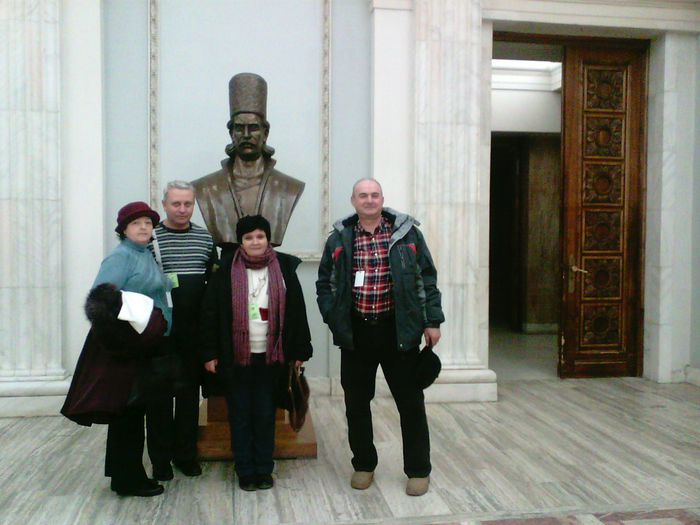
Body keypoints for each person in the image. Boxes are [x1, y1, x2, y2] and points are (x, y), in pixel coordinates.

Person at [316, 178, 444, 497]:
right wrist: (334, 318)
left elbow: (426, 278)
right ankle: (363, 464)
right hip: (356, 334)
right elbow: (324, 284)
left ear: (382, 199)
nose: (369, 200)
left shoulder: (407, 234)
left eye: (374, 195)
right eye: (363, 195)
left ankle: (418, 470)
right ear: (353, 200)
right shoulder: (340, 239)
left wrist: (432, 320)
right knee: (356, 404)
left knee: (411, 403)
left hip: (399, 331)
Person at [61, 201, 173, 497]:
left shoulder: (145, 254)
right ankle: (129, 479)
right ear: (123, 229)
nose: (143, 228)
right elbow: (98, 304)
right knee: (128, 415)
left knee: (132, 414)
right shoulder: (121, 257)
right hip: (129, 352)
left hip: (143, 350)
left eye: (148, 223)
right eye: (136, 223)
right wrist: (124, 345)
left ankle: (123, 474)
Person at [200, 215, 312, 491]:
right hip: (236, 357)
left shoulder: (284, 266)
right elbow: (210, 313)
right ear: (241, 241)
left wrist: (299, 350)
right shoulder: (225, 270)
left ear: (267, 238)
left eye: (260, 236)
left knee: (264, 414)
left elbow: (297, 309)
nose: (255, 242)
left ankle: (264, 468)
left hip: (271, 357)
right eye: (248, 237)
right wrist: (210, 352)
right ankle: (245, 469)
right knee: (240, 415)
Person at [145, 181, 217, 481]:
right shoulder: (149, 239)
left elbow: (212, 286)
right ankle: (160, 460)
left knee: (189, 398)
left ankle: (186, 456)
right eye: (176, 204)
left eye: (188, 203)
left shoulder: (205, 239)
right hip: (160, 335)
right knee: (159, 400)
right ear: (164, 204)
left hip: (192, 334)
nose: (183, 209)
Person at [191, 73, 304, 247]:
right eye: (239, 128)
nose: (246, 135)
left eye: (253, 128)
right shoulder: (205, 187)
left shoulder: (288, 187)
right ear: (231, 133)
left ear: (265, 133)